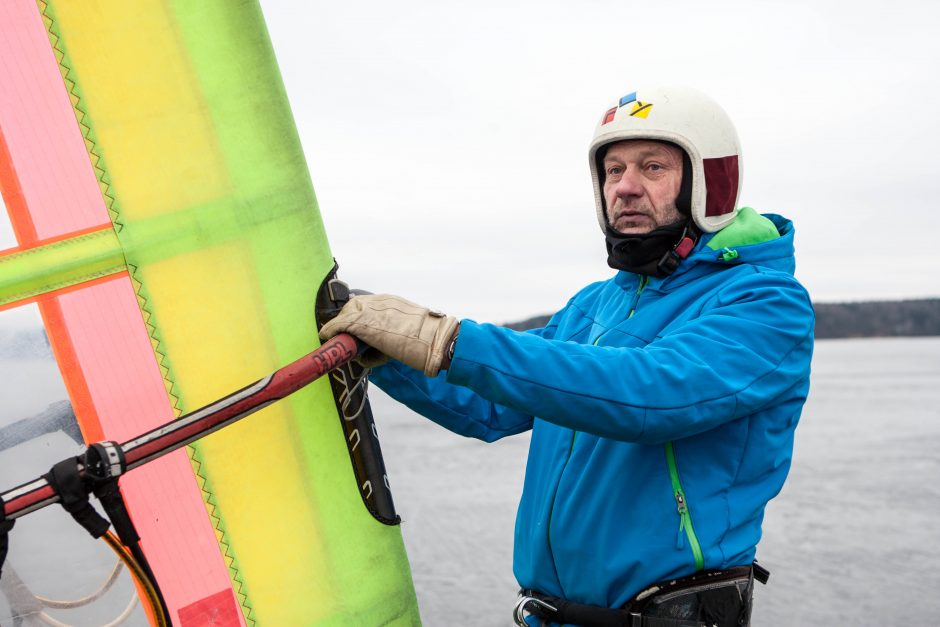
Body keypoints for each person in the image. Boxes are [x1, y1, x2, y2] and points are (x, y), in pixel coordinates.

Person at [320, 86, 814, 626]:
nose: (624, 187)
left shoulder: (766, 303)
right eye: (613, 170)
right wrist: (382, 348)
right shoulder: (595, 304)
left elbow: (648, 395)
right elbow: (488, 406)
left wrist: (447, 338)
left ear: (709, 183)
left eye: (652, 168)